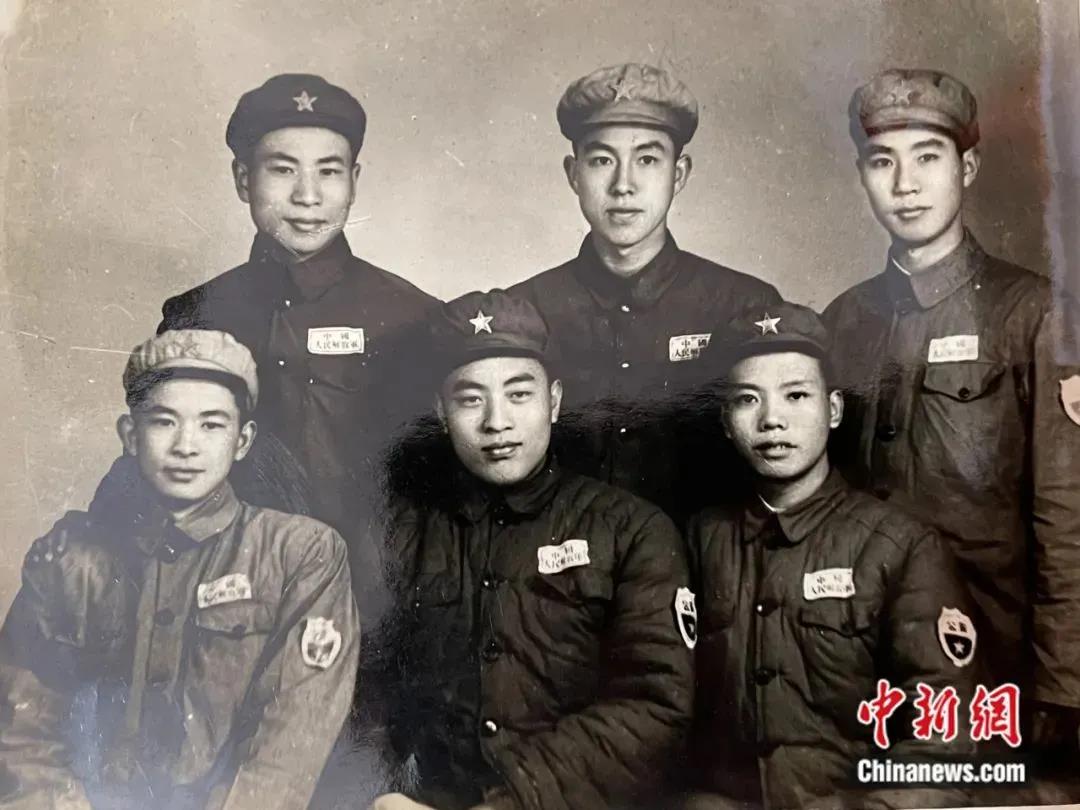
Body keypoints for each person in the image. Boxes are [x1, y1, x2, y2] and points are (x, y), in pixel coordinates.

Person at [822, 68, 1080, 763]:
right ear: (862, 176)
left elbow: (1067, 514)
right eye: (883, 162)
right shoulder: (841, 321)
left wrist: (1064, 688)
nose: (905, 184)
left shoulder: (1034, 314)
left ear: (967, 168)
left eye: (927, 158)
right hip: (864, 661)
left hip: (996, 660)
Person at [0, 329, 359, 810]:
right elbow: (22, 732)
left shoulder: (300, 554)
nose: (186, 446)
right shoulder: (72, 560)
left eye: (212, 425)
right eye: (164, 422)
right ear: (130, 436)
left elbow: (290, 741)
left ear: (242, 440)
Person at [370, 289, 695, 810]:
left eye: (519, 394)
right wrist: (383, 795)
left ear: (555, 401)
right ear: (440, 411)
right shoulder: (400, 532)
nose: (496, 422)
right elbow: (366, 697)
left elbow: (655, 705)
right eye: (470, 399)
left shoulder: (631, 530)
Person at [686, 302, 979, 809]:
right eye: (747, 399)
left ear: (835, 409)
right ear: (725, 421)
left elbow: (943, 736)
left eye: (796, 395)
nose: (772, 420)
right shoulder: (698, 539)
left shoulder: (899, 546)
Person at [510, 62, 781, 524]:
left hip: (702, 559)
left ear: (680, 174)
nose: (624, 186)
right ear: (573, 174)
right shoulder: (525, 312)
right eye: (602, 160)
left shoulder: (743, 305)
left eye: (648, 160)